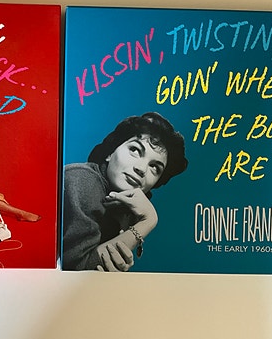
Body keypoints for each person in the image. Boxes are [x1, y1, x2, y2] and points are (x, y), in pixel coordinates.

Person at [62, 112, 188, 271]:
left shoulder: (125, 209)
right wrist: (148, 221)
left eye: (154, 167)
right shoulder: (82, 179)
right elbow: (76, 270)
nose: (141, 169)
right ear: (110, 152)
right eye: (135, 150)